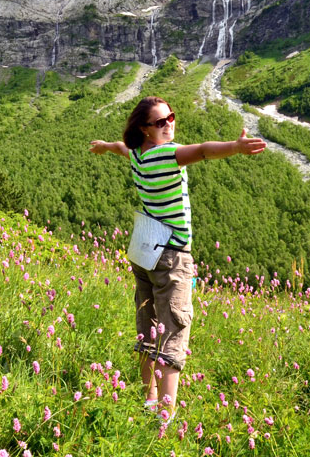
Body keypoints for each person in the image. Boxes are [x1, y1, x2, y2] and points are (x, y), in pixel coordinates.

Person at [89, 96, 265, 424]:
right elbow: (201, 150)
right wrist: (235, 147)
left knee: (148, 327)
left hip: (144, 252)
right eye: (160, 122)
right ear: (145, 129)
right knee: (172, 333)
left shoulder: (138, 155)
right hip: (172, 257)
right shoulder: (165, 155)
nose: (169, 124)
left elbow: (120, 147)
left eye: (171, 116)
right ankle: (164, 425)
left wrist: (104, 146)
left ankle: (149, 401)